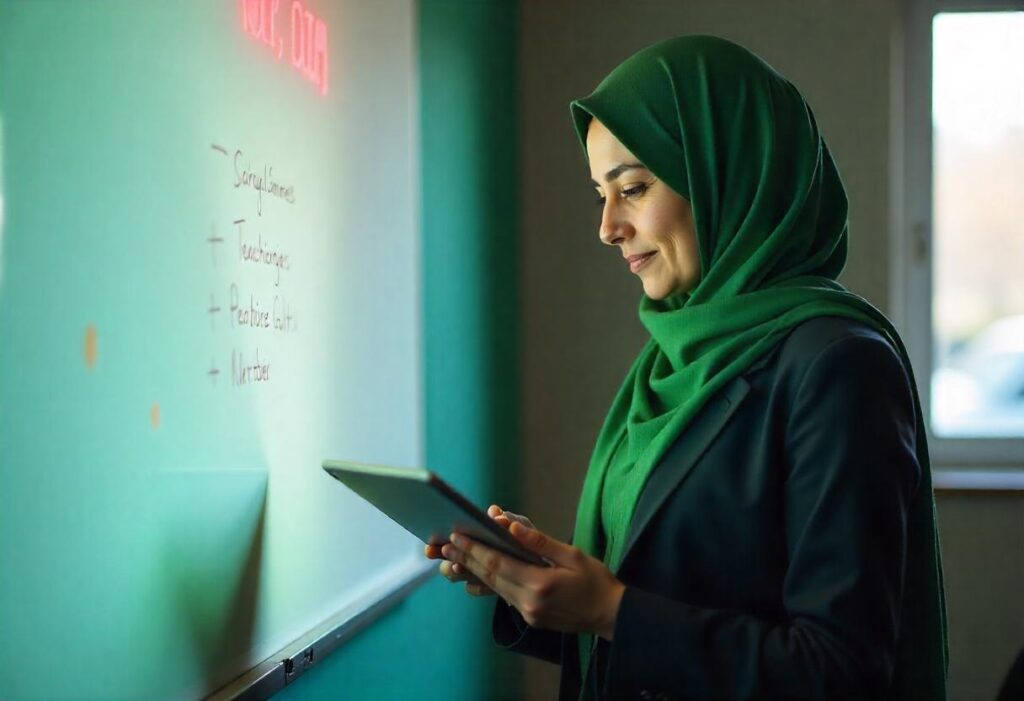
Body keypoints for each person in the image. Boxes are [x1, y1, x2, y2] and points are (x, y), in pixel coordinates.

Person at [424, 35, 948, 701]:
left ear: (726, 172)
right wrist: (536, 587)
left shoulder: (839, 366)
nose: (608, 226)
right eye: (600, 196)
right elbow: (667, 599)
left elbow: (838, 671)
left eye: (633, 188)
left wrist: (610, 608)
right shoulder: (672, 360)